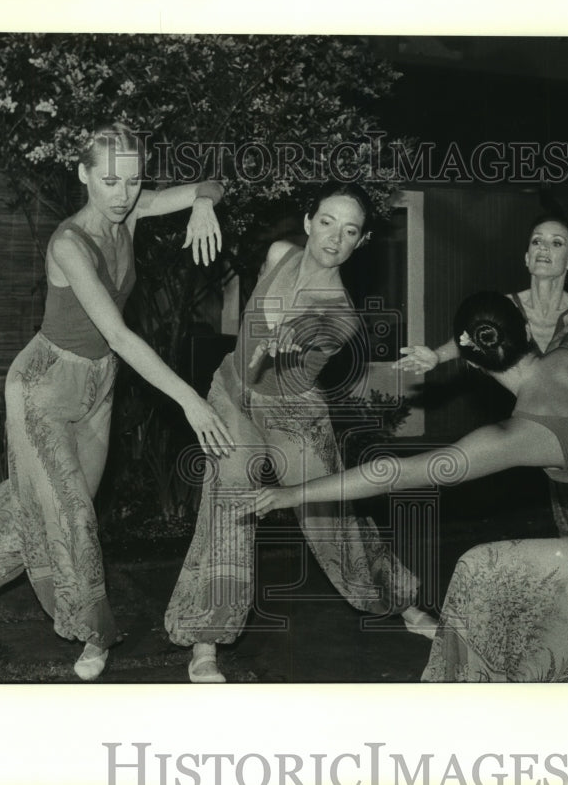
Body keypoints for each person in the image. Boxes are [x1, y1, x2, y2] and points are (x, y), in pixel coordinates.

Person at [240, 201, 568, 682]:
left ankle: (471, 721)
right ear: (526, 327)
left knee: (482, 573)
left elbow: (394, 473)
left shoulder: (521, 432)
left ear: (469, 351)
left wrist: (292, 493)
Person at [0, 124, 234, 681]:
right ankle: (92, 635)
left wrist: (204, 206)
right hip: (42, 386)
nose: (122, 193)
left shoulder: (132, 212)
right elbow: (117, 334)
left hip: (99, 385)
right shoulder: (69, 243)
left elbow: (211, 181)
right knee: (71, 516)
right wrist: (190, 399)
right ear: (83, 174)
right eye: (109, 180)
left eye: (134, 180)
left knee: (55, 501)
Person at [164, 181, 438, 683]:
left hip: (293, 411)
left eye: (350, 230)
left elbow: (320, 330)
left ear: (360, 241)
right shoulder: (279, 254)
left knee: (332, 517)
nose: (335, 237)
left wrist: (301, 331)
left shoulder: (343, 316)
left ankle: (396, 598)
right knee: (230, 497)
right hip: (232, 392)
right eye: (328, 222)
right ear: (310, 222)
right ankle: (207, 637)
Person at [394, 214, 568, 537]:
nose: (543, 248)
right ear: (526, 257)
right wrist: (436, 356)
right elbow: (473, 334)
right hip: (546, 434)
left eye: (557, 243)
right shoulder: (508, 307)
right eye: (536, 241)